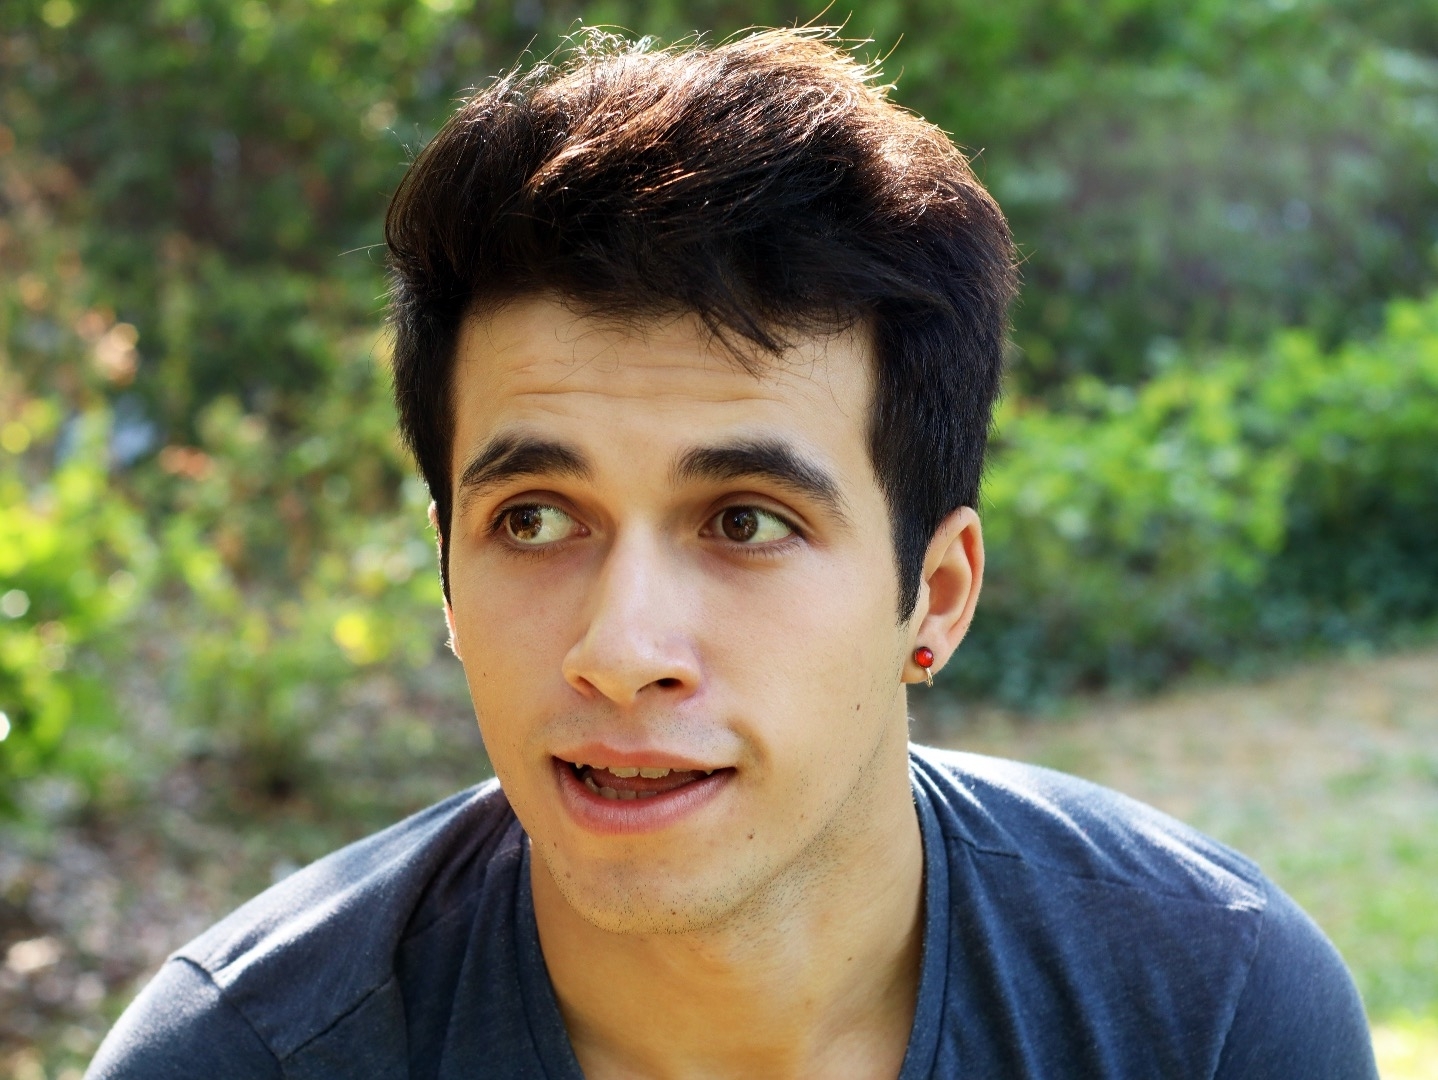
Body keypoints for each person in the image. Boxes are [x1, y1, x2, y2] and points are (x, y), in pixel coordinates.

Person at [88, 27, 1377, 1079]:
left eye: (746, 522)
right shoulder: (236, 1061)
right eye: (534, 518)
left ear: (934, 596)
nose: (620, 651)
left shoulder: (1210, 1011)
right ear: (448, 580)